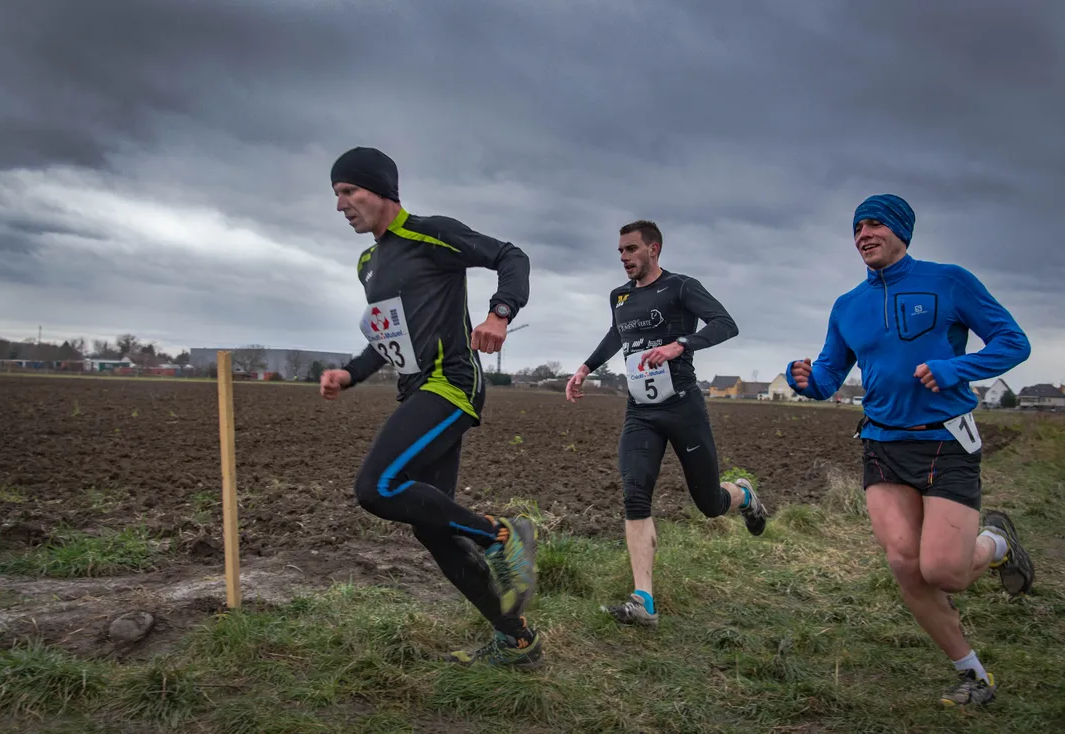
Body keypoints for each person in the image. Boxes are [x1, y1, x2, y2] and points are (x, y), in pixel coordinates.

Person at [786, 193, 1034, 706]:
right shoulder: (848, 305)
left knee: (943, 570)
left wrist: (955, 369)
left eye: (874, 224)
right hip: (881, 443)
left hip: (945, 441)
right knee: (905, 564)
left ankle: (996, 541)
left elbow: (1013, 342)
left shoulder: (949, 281)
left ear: (901, 229)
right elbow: (832, 375)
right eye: (856, 228)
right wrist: (806, 380)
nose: (863, 235)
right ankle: (974, 676)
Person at [320, 146, 541, 669]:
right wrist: (350, 373)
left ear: (382, 191)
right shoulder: (368, 263)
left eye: (348, 192)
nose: (340, 205)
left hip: (450, 384)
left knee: (376, 488)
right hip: (417, 387)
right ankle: (517, 640)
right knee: (434, 527)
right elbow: (387, 337)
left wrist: (499, 314)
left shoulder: (429, 234)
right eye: (335, 195)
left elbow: (512, 256)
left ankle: (504, 536)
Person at [565, 220, 769, 627]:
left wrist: (680, 345)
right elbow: (616, 335)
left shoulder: (680, 287)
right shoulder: (619, 296)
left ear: (653, 250)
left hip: (682, 408)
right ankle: (644, 602)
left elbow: (726, 323)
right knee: (634, 495)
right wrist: (585, 368)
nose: (623, 257)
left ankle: (743, 495)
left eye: (631, 249)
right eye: (620, 251)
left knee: (710, 504)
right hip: (641, 411)